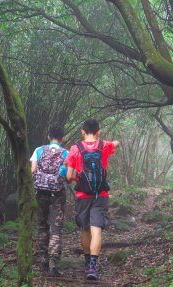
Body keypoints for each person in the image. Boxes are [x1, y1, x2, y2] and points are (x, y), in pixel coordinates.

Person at [66, 119, 119, 281]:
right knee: (97, 229)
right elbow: (116, 143)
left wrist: (78, 179)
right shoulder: (104, 146)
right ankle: (93, 267)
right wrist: (115, 142)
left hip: (82, 196)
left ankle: (87, 261)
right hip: (100, 195)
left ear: (82, 131)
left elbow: (69, 176)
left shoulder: (76, 149)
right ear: (98, 132)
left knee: (85, 229)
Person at [31, 125, 68, 277]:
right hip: (58, 194)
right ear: (62, 138)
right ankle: (54, 263)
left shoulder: (38, 150)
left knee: (42, 225)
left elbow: (32, 171)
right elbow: (66, 173)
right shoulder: (66, 153)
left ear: (48, 136)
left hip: (41, 193)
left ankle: (43, 260)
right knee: (56, 228)